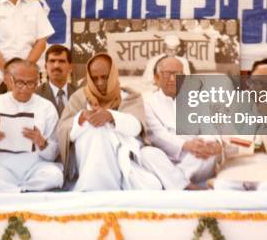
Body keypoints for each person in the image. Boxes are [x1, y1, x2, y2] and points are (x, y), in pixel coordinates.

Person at [57, 53, 175, 191]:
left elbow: (136, 126)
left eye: (104, 77)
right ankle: (94, 185)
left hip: (123, 159)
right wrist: (82, 118)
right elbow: (63, 129)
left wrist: (110, 116)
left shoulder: (129, 96)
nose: (100, 83)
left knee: (151, 186)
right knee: (96, 130)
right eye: (95, 78)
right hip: (87, 160)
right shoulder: (79, 97)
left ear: (113, 74)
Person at [0, 59, 63, 192]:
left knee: (55, 176)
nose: (25, 87)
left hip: (34, 168)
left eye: (30, 83)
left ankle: (15, 190)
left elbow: (55, 153)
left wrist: (41, 142)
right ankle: (21, 192)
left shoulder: (46, 107)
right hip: (1, 168)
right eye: (20, 82)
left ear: (37, 83)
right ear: (10, 80)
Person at [209, 64, 267, 190]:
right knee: (224, 187)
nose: (260, 88)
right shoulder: (235, 106)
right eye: (256, 82)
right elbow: (228, 142)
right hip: (236, 165)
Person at [144, 56, 219, 187]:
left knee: (209, 154)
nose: (173, 79)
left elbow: (209, 128)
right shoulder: (148, 103)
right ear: (157, 78)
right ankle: (185, 185)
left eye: (177, 74)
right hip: (167, 159)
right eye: (167, 74)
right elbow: (158, 135)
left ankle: (177, 183)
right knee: (147, 153)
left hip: (196, 158)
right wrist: (186, 145)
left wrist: (204, 144)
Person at [35, 45, 77, 117]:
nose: (56, 65)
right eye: (52, 61)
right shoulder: (36, 95)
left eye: (61, 61)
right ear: (45, 67)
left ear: (70, 67)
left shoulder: (79, 94)